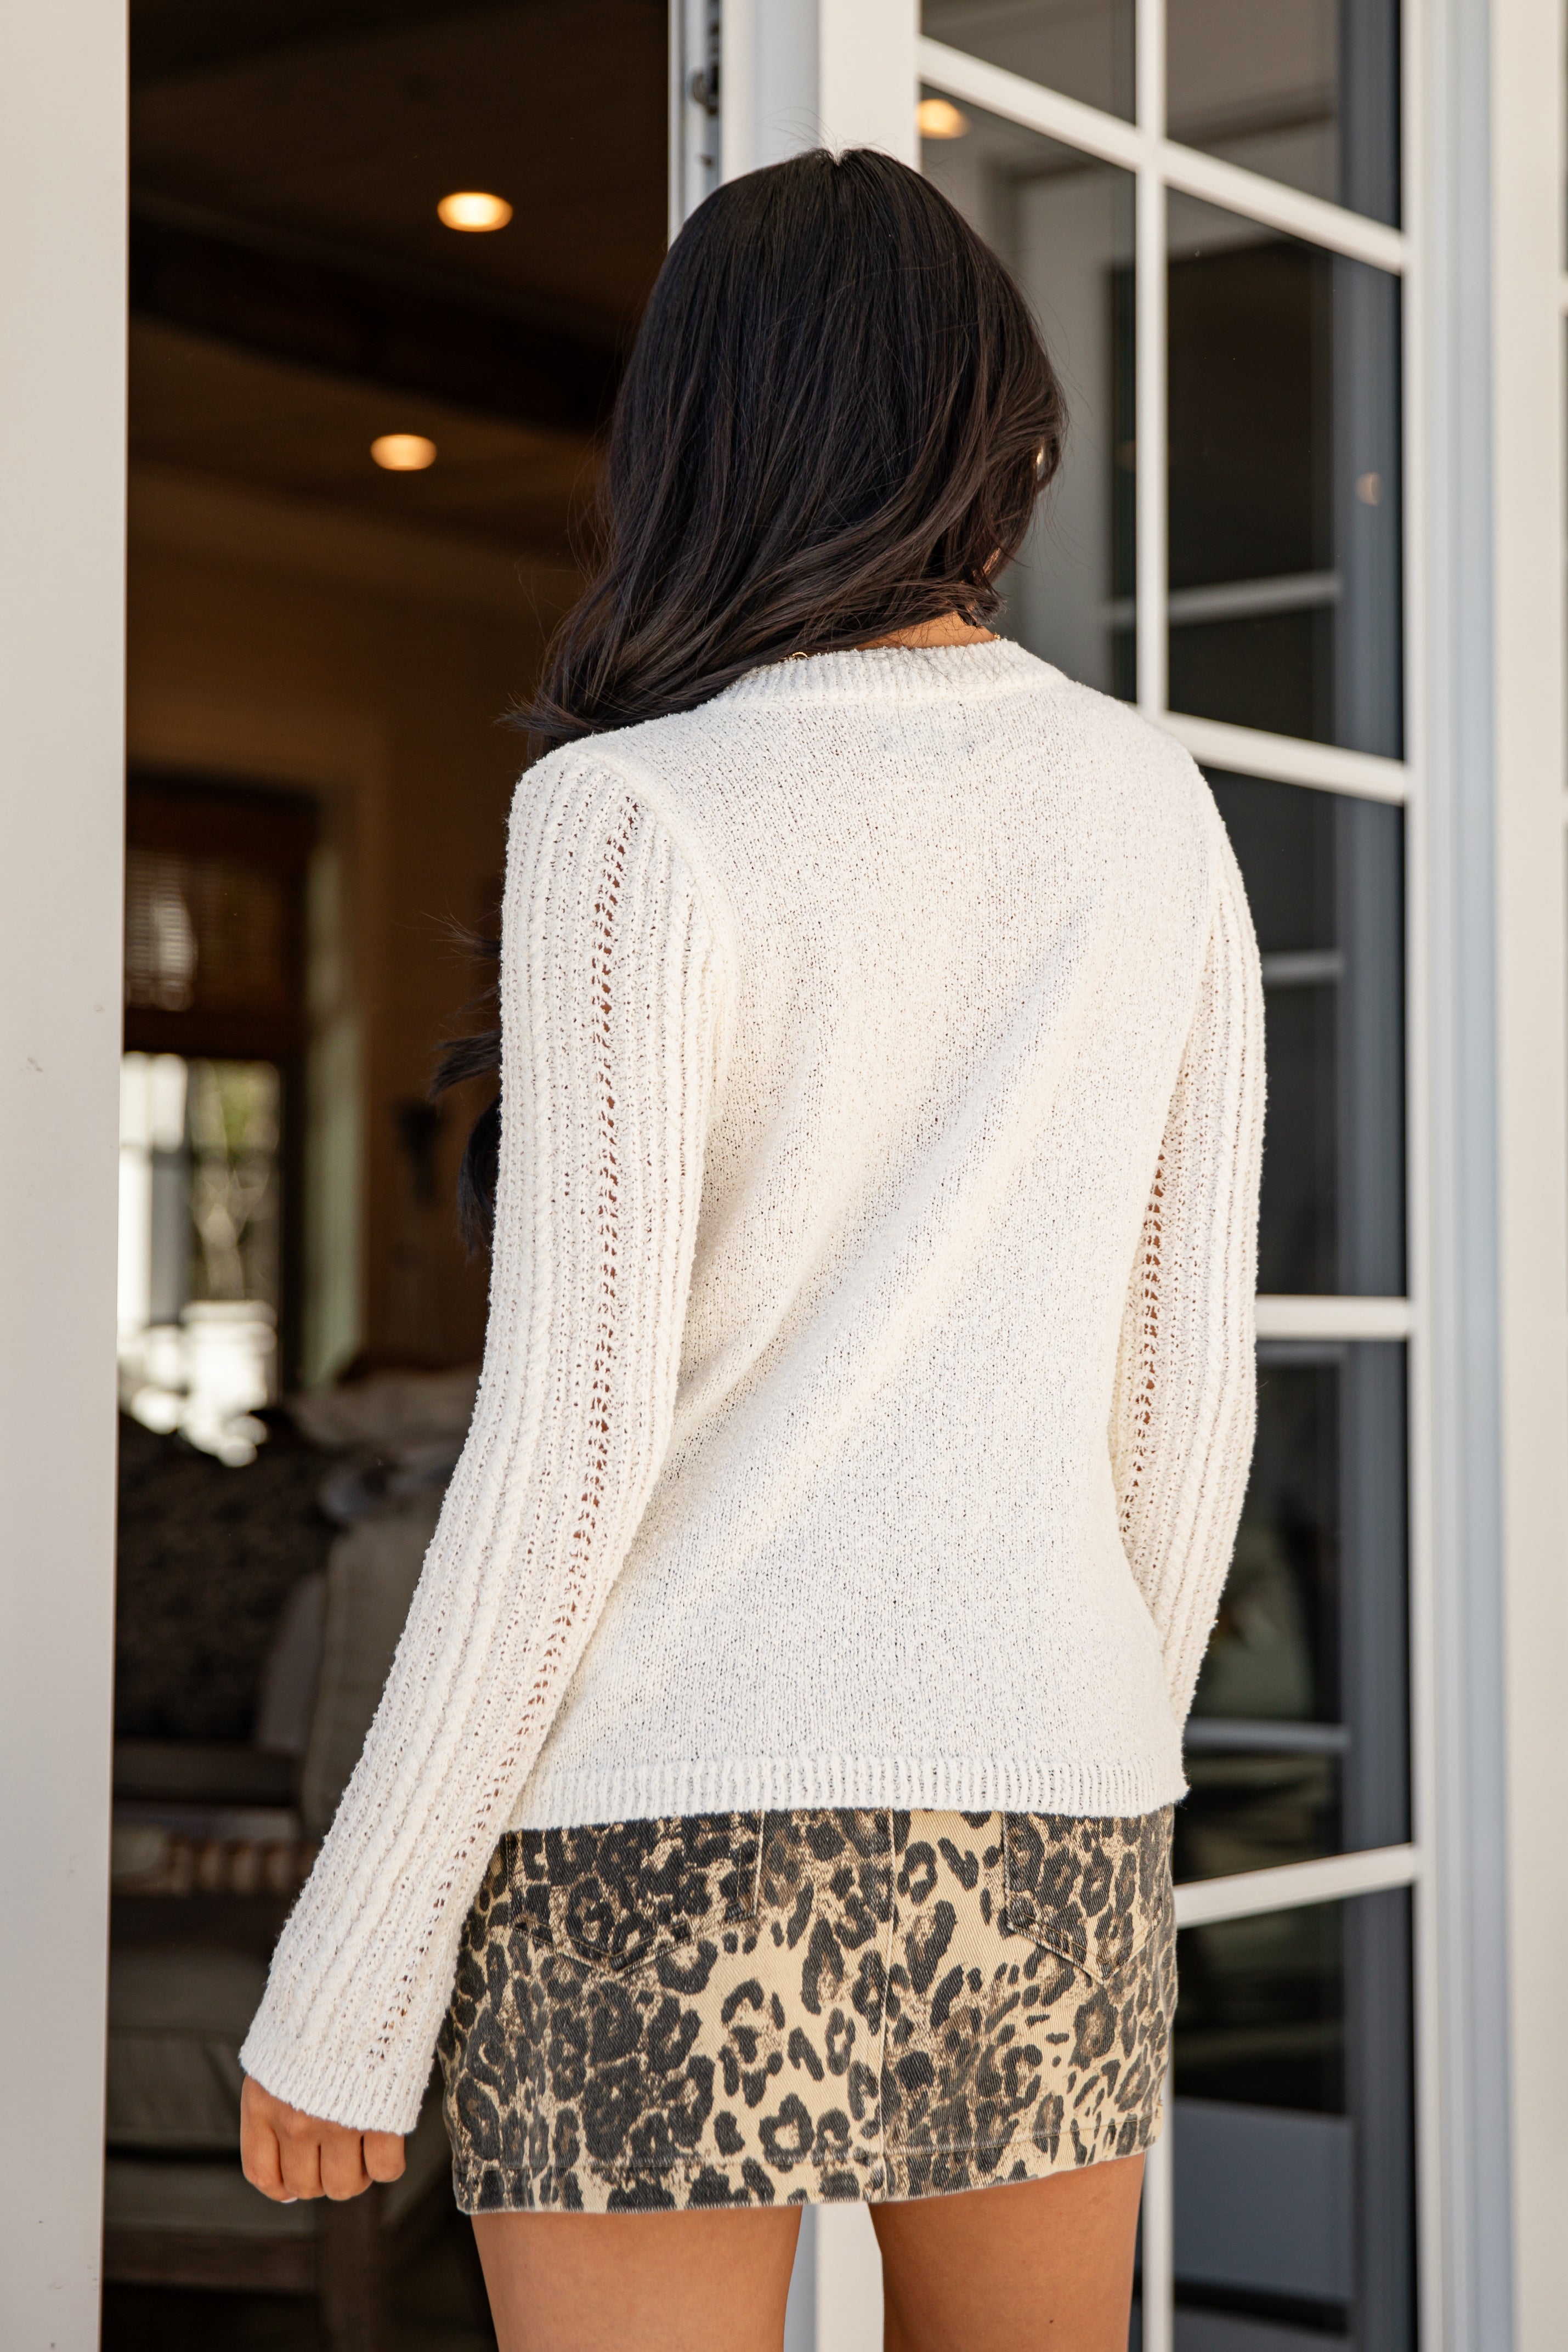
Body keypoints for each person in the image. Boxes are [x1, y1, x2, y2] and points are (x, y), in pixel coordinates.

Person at [239, 146, 1264, 2351]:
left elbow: (563, 1455)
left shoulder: (632, 815)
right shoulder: (1149, 805)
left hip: (655, 1833)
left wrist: (355, 1960)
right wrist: (1085, 1735)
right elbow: (1185, 1401)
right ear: (995, 434)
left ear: (692, 444)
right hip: (1048, 1812)